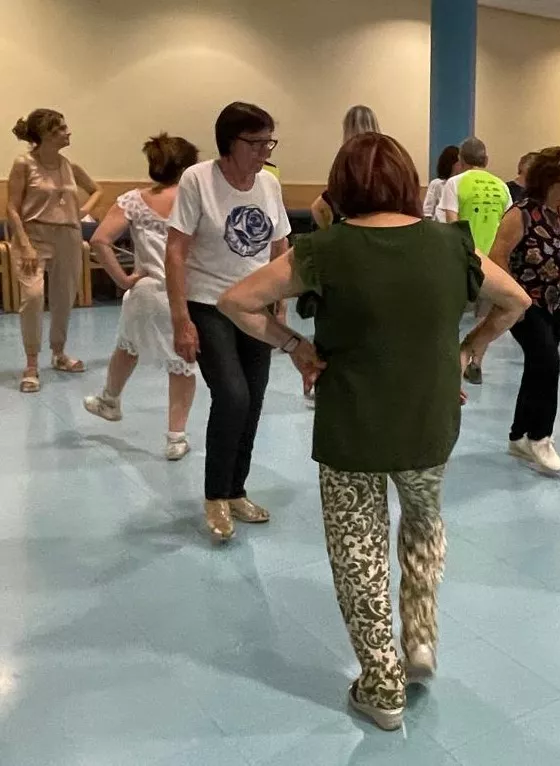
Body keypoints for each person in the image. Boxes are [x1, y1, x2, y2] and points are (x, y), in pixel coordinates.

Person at [218, 131, 532, 732]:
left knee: (358, 552)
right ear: (405, 183)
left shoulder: (324, 251)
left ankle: (382, 687)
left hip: (352, 426)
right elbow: (514, 299)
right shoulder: (450, 244)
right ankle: (419, 637)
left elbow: (238, 301)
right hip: (430, 418)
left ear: (344, 187)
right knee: (422, 522)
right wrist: (467, 351)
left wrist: (295, 346)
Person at [165, 101, 292, 542]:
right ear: (230, 142)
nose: (264, 152)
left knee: (253, 399)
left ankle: (237, 489)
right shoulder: (198, 179)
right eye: (256, 143)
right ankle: (215, 496)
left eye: (269, 142)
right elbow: (176, 250)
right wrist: (181, 318)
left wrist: (280, 301)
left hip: (255, 304)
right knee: (232, 395)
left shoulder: (270, 184)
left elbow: (280, 246)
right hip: (209, 304)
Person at [83, 134, 200, 461]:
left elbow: (100, 240)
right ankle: (176, 436)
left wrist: (123, 278)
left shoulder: (132, 200)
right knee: (182, 363)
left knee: (126, 346)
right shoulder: (197, 200)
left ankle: (110, 399)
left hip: (144, 291)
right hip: (185, 294)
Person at [488, 146, 560, 473]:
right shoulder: (520, 214)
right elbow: (497, 256)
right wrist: (513, 299)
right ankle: (540, 436)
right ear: (552, 180)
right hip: (524, 305)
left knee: (537, 366)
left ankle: (518, 435)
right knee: (549, 364)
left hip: (554, 303)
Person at [7, 108, 102, 393]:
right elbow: (12, 207)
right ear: (46, 135)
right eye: (61, 128)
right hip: (33, 236)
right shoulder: (24, 163)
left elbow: (95, 189)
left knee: (63, 297)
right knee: (33, 296)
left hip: (69, 237)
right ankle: (32, 363)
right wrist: (23, 243)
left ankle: (59, 353)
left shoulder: (70, 166)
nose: (67, 132)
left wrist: (82, 212)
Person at [444, 137, 513, 385]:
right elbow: (507, 226)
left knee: (451, 314)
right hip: (492, 261)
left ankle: (451, 360)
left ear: (461, 161)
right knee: (484, 315)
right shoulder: (502, 187)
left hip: (463, 259)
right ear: (486, 160)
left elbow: (452, 223)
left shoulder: (454, 183)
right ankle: (476, 364)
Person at [311, 106, 380, 229]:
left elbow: (317, 208)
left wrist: (329, 232)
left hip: (350, 227)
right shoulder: (387, 154)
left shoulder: (347, 155)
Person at [421, 145, 461, 221]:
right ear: (453, 164)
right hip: (439, 226)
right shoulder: (437, 184)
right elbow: (427, 211)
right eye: (459, 163)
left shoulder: (460, 183)